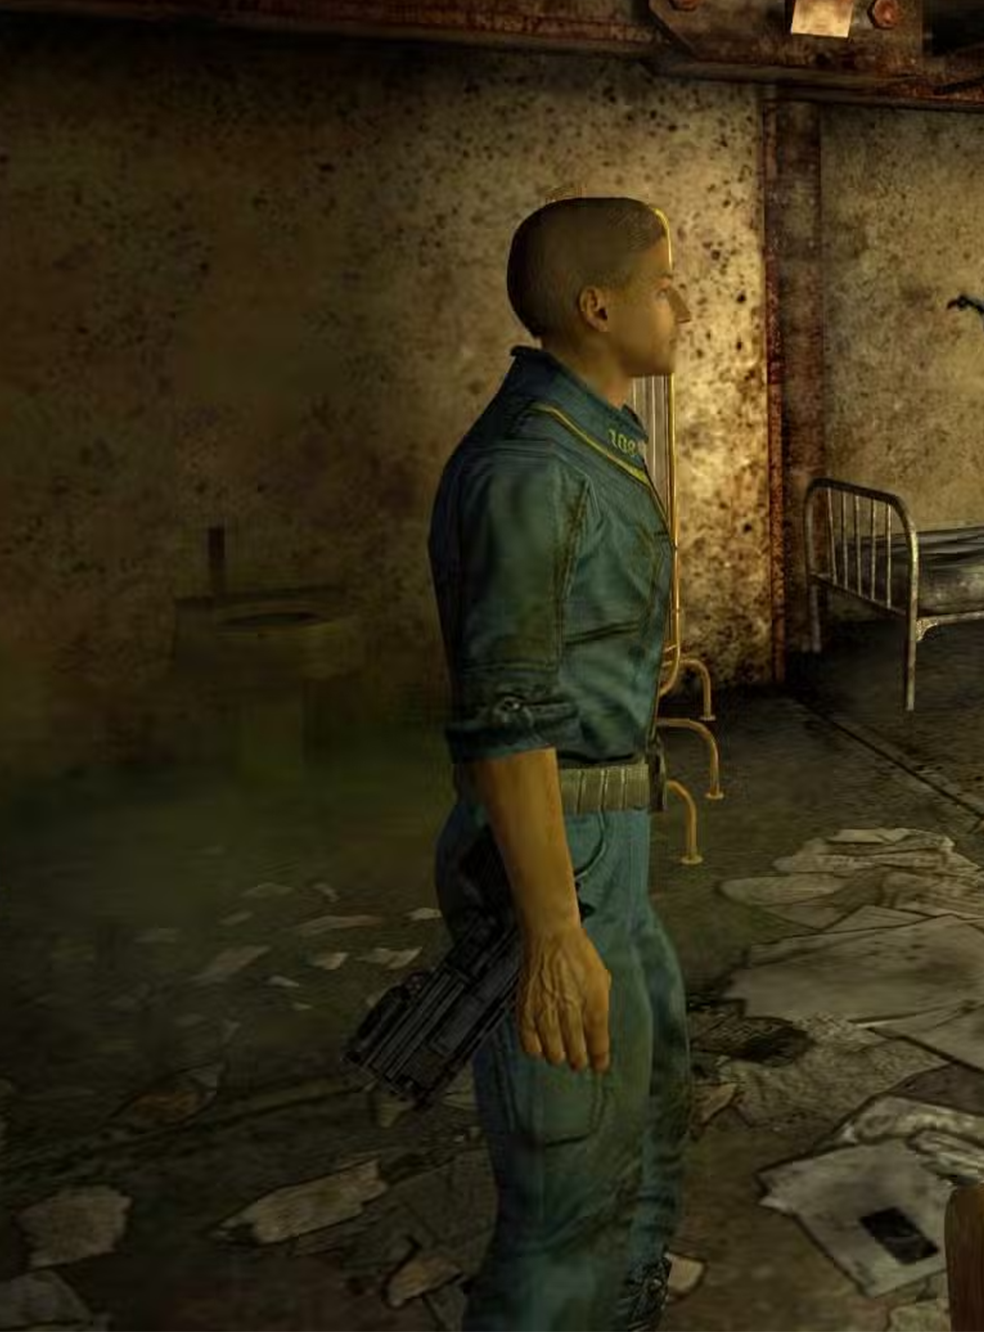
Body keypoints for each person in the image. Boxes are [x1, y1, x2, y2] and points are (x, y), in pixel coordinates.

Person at [426, 196, 696, 1331]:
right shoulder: (533, 470)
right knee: (566, 1189)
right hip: (561, 852)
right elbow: (507, 722)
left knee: (646, 1117)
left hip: (607, 845)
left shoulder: (592, 441)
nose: (682, 309)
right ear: (598, 307)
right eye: (664, 286)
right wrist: (550, 935)